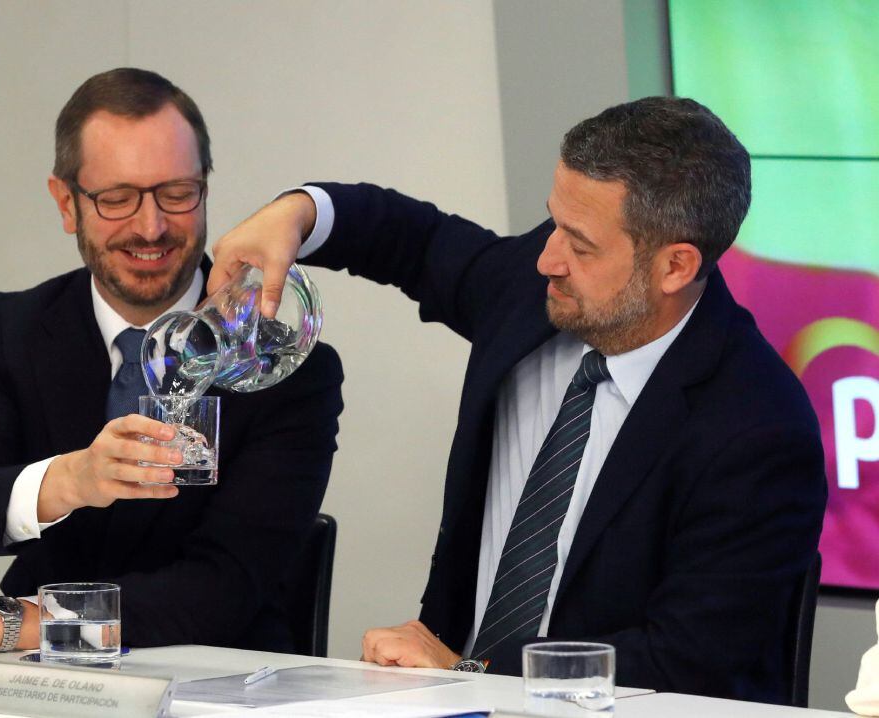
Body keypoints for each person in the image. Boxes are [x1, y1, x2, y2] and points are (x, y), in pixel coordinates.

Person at [209, 97, 826, 703]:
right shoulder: (534, 291)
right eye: (552, 221)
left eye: (580, 245)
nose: (546, 258)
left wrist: (472, 668)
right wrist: (296, 214)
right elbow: (415, 241)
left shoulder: (759, 428)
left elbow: (692, 661)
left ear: (676, 265)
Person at [0, 68, 343, 656]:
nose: (150, 227)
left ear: (205, 186)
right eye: (117, 198)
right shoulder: (15, 329)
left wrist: (0, 622)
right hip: (38, 686)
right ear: (66, 203)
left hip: (218, 685)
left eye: (176, 194)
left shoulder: (283, 362)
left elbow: (217, 595)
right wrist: (69, 480)